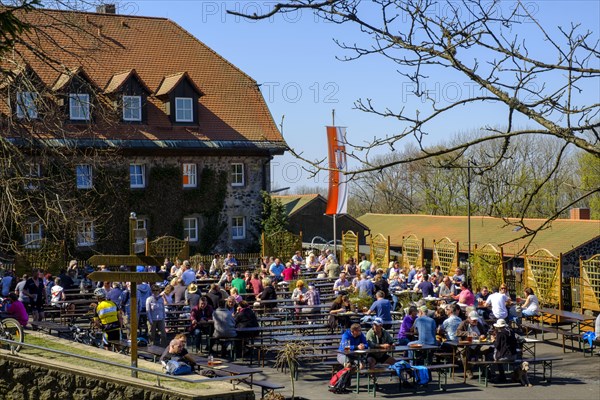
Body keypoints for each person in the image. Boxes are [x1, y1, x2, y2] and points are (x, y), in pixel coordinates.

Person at [490, 318, 518, 383]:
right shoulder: (511, 331)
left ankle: (497, 375)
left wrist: (493, 340)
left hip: (505, 356)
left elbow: (496, 346)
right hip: (514, 355)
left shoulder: (500, 333)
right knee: (496, 356)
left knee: (489, 356)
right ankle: (501, 375)